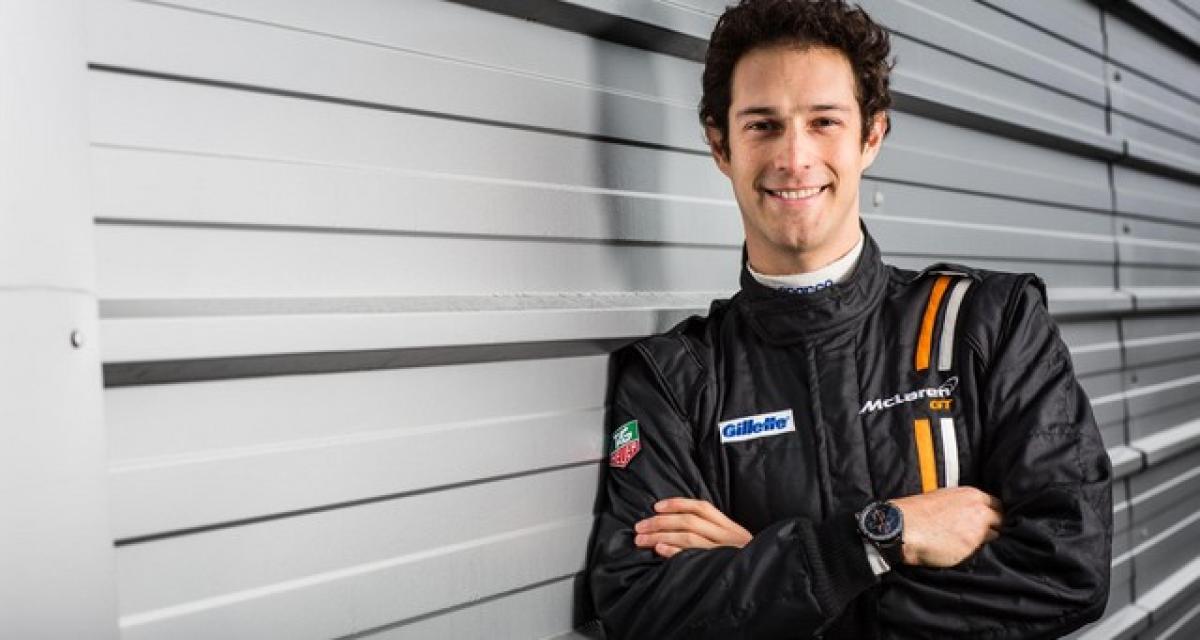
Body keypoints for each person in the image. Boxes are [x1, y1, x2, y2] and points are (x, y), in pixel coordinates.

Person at [587, 0, 1113, 637]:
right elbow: (644, 607)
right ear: (721, 145)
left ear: (872, 136)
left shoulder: (988, 324)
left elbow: (1067, 570)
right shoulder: (674, 379)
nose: (794, 157)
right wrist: (875, 540)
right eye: (763, 125)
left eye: (824, 122)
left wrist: (769, 571)